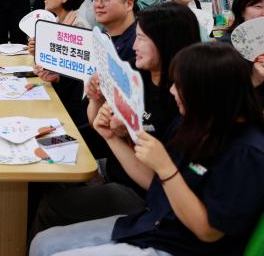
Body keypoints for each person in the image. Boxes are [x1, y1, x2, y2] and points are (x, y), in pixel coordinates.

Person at [30, 43, 264, 256]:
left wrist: (165, 168)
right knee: (43, 243)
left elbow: (207, 231)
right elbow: (153, 182)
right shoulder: (191, 121)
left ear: (209, 92)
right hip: (152, 225)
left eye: (180, 86)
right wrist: (111, 137)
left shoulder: (247, 152)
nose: (172, 91)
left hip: (181, 246)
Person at [30, 2, 202, 241]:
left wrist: (115, 136)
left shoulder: (179, 98)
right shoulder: (135, 74)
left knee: (51, 204)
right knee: (36, 152)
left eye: (141, 38)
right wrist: (95, 99)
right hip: (110, 163)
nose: (133, 45)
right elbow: (97, 124)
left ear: (165, 41)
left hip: (137, 192)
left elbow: (154, 180)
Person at [30, 0, 88, 122]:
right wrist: (38, 53)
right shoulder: (56, 21)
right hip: (57, 93)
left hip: (71, 109)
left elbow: (77, 78)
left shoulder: (78, 26)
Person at [218, 0, 264, 107]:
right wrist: (254, 79)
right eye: (258, 6)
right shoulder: (224, 48)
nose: (263, 13)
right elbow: (220, 100)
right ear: (242, 10)